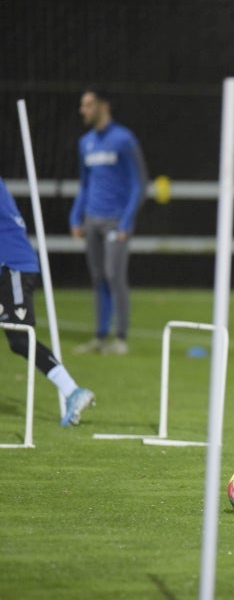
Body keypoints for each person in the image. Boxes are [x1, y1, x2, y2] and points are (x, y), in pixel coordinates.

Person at [0, 177, 95, 427]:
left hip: (14, 267)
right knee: (18, 341)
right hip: (6, 269)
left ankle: (73, 391)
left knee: (21, 339)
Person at [69, 87, 147, 356]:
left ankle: (121, 338)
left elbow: (140, 184)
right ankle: (100, 337)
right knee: (98, 277)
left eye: (88, 105)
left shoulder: (124, 139)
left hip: (115, 221)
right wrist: (75, 215)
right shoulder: (85, 143)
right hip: (92, 219)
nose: (83, 110)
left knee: (115, 276)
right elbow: (86, 183)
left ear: (104, 106)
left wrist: (126, 222)